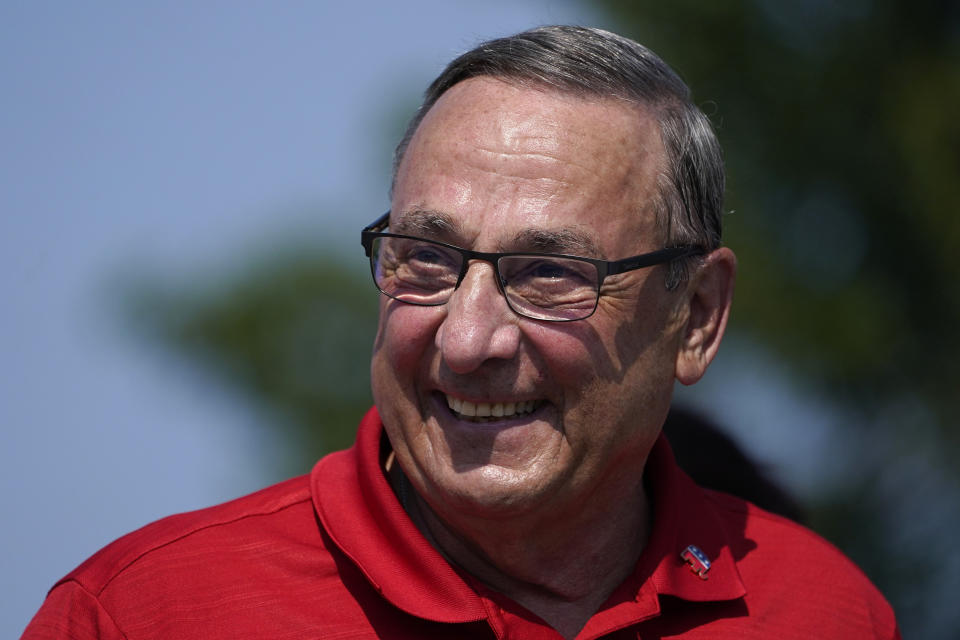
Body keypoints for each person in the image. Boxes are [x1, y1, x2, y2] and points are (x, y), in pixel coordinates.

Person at [23, 25, 899, 639]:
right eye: (427, 259)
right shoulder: (144, 616)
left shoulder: (825, 613)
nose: (468, 339)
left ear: (696, 317)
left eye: (551, 273)